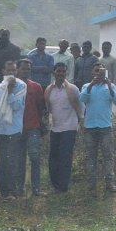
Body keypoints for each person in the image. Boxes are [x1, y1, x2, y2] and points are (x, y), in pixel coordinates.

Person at [79, 62, 116, 193]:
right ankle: (91, 184)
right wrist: (91, 85)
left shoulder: (111, 86)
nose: (98, 73)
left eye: (101, 71)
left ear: (105, 72)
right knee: (91, 157)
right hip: (90, 127)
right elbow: (82, 98)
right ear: (92, 73)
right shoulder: (86, 86)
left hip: (105, 127)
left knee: (108, 156)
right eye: (96, 71)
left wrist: (109, 85)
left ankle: (109, 183)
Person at [0, 60, 27, 200]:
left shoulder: (21, 85)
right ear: (3, 71)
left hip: (14, 128)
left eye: (13, 70)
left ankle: (12, 192)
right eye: (9, 70)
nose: (11, 73)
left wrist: (11, 91)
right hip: (2, 129)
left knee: (12, 161)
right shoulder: (0, 86)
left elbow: (17, 106)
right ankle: (3, 192)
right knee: (2, 162)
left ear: (16, 71)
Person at [45, 63, 83, 193]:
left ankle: (63, 187)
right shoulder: (49, 90)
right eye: (58, 71)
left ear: (66, 74)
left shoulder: (72, 89)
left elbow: (81, 107)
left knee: (65, 158)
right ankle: (55, 185)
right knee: (53, 158)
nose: (61, 74)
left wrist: (80, 122)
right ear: (54, 73)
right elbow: (48, 109)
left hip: (69, 128)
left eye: (63, 72)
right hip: (55, 128)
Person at [16, 59, 46, 196]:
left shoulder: (36, 87)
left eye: (28, 69)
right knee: (19, 159)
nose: (26, 71)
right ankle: (19, 188)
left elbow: (41, 108)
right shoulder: (12, 86)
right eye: (23, 68)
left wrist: (41, 124)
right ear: (17, 70)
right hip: (16, 129)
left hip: (33, 127)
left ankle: (36, 188)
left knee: (34, 158)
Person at [0, 29, 21, 102]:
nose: (4, 37)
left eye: (6, 35)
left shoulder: (15, 49)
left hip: (10, 78)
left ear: (9, 36)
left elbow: (17, 64)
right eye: (2, 35)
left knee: (10, 99)